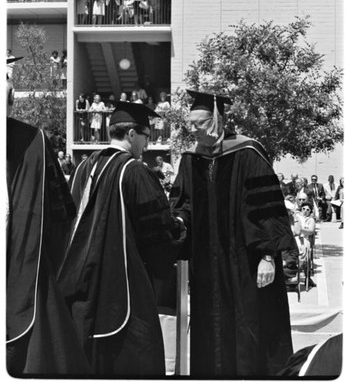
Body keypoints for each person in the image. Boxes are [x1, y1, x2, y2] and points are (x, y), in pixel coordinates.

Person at [169, 90, 296, 377]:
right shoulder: (191, 160)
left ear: (215, 121)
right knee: (209, 325)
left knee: (248, 324)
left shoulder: (249, 154)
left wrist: (268, 256)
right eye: (189, 123)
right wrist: (178, 222)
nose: (191, 129)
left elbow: (267, 209)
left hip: (245, 265)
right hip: (207, 268)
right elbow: (183, 204)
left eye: (197, 124)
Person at [57, 101, 186, 376]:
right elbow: (159, 235)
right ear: (130, 135)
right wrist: (180, 226)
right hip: (121, 292)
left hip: (77, 289)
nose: (147, 145)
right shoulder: (135, 171)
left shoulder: (82, 167)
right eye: (145, 137)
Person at [6, 58, 90, 376]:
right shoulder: (34, 142)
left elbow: (57, 219)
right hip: (26, 284)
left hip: (25, 283)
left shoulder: (34, 144)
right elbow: (60, 224)